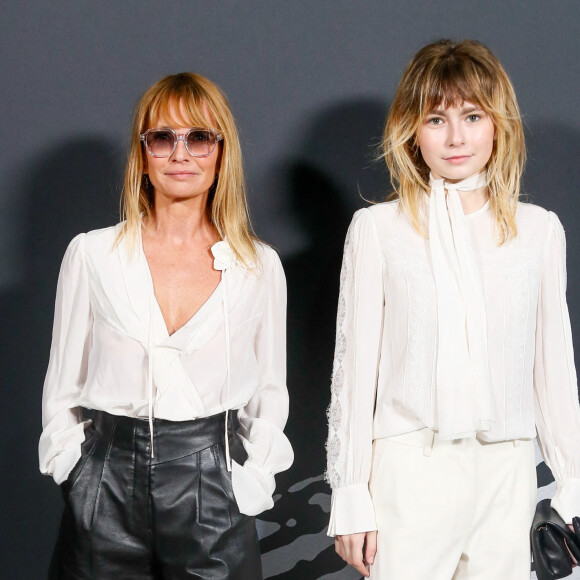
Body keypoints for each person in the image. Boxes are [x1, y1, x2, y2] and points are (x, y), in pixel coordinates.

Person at [326, 39, 580, 579]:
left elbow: (553, 372)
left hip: (509, 471)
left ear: (498, 124)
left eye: (472, 116)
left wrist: (574, 486)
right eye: (436, 119)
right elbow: (353, 375)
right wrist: (350, 494)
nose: (457, 137)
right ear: (412, 131)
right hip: (409, 469)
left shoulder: (539, 231)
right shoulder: (377, 230)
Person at [39, 72, 293, 579]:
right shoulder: (92, 255)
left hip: (212, 486)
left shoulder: (257, 267)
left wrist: (251, 479)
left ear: (221, 153)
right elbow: (61, 387)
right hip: (106, 484)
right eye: (163, 137)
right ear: (143, 153)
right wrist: (76, 471)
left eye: (198, 137)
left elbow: (270, 391)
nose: (181, 154)